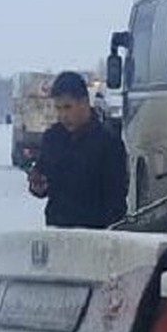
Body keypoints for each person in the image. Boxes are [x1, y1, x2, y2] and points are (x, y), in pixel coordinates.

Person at [27, 71, 128, 228]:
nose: (63, 115)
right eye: (58, 108)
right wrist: (37, 184)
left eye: (68, 107)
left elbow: (116, 200)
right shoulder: (52, 139)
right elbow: (43, 178)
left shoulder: (109, 144)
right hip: (58, 231)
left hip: (95, 235)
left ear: (84, 103)